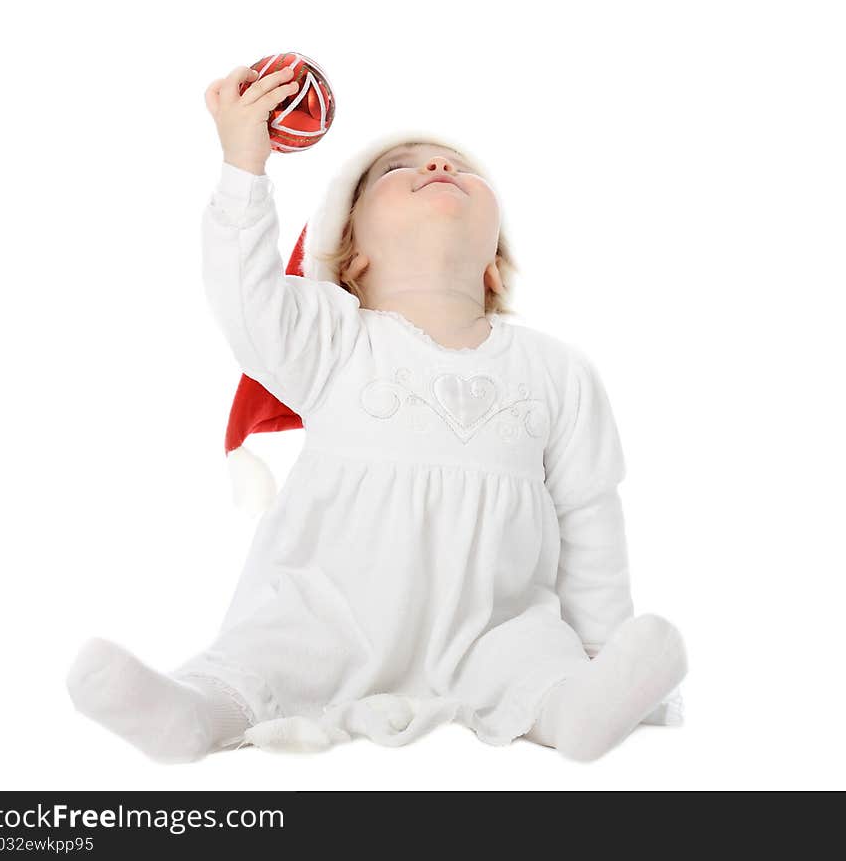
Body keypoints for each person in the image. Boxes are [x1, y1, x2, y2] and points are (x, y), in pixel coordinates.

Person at [66, 63, 688, 764]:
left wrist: (602, 647)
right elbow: (245, 298)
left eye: (459, 167)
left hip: (493, 622)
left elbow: (589, 515)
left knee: (533, 656)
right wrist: (245, 163)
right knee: (270, 651)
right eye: (396, 170)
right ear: (352, 254)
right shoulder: (330, 340)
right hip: (330, 610)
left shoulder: (556, 370)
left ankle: (578, 708)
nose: (436, 162)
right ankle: (197, 712)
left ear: (493, 263)